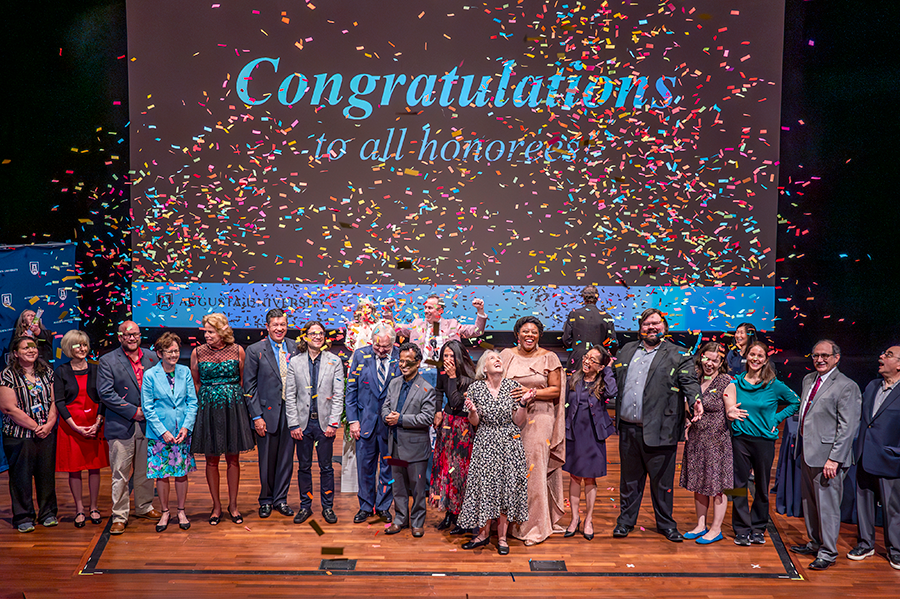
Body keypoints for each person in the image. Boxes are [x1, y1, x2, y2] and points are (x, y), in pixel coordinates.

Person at [612, 308, 702, 542]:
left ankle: (666, 524)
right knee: (629, 480)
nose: (651, 328)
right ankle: (625, 521)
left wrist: (695, 401)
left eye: (656, 324)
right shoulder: (627, 350)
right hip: (628, 429)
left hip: (661, 429)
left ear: (665, 327)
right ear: (640, 328)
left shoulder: (679, 354)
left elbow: (689, 382)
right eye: (646, 324)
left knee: (662, 483)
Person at [788, 340, 861, 569]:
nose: (819, 359)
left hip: (828, 459)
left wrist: (835, 459)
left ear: (836, 358)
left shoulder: (847, 386)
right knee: (809, 503)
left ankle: (828, 552)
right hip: (808, 453)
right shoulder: (808, 379)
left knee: (828, 507)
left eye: (825, 356)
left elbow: (848, 427)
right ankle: (815, 542)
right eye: (816, 355)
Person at [500, 315, 565, 546]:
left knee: (533, 471)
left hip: (539, 418)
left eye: (534, 332)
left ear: (539, 335)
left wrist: (532, 393)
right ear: (517, 334)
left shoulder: (549, 357)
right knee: (511, 472)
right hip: (509, 420)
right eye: (525, 331)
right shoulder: (506, 355)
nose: (530, 335)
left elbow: (556, 390)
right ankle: (509, 525)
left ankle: (535, 527)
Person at [457, 350, 529, 555]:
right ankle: (482, 534)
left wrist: (523, 402)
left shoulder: (512, 386)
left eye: (499, 358)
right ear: (484, 368)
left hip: (509, 443)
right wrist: (472, 411)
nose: (497, 360)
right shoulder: (476, 388)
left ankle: (503, 538)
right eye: (492, 358)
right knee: (485, 488)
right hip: (486, 442)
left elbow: (518, 421)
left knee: (506, 489)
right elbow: (475, 423)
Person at [730, 340, 800, 546]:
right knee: (736, 487)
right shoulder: (736, 382)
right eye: (752, 354)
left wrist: (776, 419)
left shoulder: (773, 384)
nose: (755, 359)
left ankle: (758, 527)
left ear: (766, 359)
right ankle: (741, 529)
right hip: (739, 439)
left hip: (764, 441)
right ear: (747, 357)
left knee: (761, 486)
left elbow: (795, 402)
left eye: (760, 356)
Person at [97, 321, 161, 535]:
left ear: (140, 335)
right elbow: (105, 393)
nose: (131, 338)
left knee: (144, 471)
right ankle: (119, 515)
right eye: (127, 335)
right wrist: (134, 411)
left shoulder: (151, 357)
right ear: (120, 337)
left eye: (135, 334)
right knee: (120, 474)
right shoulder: (107, 360)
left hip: (148, 425)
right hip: (121, 424)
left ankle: (144, 507)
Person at [190, 313, 254, 525]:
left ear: (222, 331)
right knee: (211, 459)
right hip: (208, 407)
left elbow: (243, 381)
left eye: (210, 331)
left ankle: (233, 505)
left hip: (233, 408)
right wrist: (208, 401)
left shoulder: (238, 351)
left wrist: (233, 401)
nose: (206, 335)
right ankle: (216, 506)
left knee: (233, 458)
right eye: (205, 331)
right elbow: (196, 383)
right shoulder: (197, 352)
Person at [285, 321, 344, 525]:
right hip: (303, 425)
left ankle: (327, 507)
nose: (317, 336)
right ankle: (305, 506)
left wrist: (333, 423)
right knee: (304, 467)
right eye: (313, 333)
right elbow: (290, 395)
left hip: (325, 424)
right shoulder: (295, 362)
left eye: (320, 333)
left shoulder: (334, 361)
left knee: (326, 468)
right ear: (305, 336)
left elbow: (338, 395)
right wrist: (293, 424)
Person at [848, 345, 900, 570]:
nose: (881, 357)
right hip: (864, 455)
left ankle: (896, 550)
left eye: (888, 355)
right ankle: (865, 543)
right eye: (883, 353)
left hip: (890, 458)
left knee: (892, 508)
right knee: (864, 503)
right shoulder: (871, 386)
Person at [680, 342, 737, 545]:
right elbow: (687, 407)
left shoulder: (725, 381)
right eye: (707, 358)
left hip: (716, 442)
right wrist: (687, 420)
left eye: (715, 360)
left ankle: (716, 529)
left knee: (717, 487)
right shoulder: (694, 379)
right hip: (696, 440)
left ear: (721, 361)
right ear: (701, 357)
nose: (710, 363)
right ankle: (700, 524)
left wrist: (732, 413)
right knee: (698, 484)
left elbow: (730, 406)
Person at [0, 337, 58, 532]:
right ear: (15, 353)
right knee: (21, 477)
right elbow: (8, 408)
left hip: (46, 433)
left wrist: (49, 424)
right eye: (26, 348)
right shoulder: (7, 375)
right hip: (19, 435)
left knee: (46, 475)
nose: (31, 350)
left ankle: (48, 513)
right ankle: (23, 516)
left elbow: (54, 401)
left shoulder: (47, 372)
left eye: (33, 347)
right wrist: (35, 427)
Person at [142, 332, 198, 532]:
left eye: (176, 351)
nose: (174, 355)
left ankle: (181, 511)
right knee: (162, 475)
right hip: (160, 434)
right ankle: (165, 511)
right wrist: (163, 432)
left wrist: (186, 427)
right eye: (169, 351)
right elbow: (147, 407)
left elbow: (192, 402)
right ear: (159, 353)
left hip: (182, 432)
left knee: (181, 474)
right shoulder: (150, 375)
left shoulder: (184, 372)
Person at [244, 308, 297, 519]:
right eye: (275, 325)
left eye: (282, 324)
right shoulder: (255, 350)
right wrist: (256, 416)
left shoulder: (295, 347)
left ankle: (281, 499)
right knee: (266, 459)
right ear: (267, 327)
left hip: (291, 412)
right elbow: (249, 387)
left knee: (286, 458)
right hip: (266, 414)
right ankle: (265, 500)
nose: (279, 328)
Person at [345, 324, 400, 523]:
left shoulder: (400, 357)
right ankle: (366, 506)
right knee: (365, 467)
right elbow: (351, 390)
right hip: (365, 424)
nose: (381, 350)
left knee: (388, 467)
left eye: (385, 347)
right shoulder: (360, 355)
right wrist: (353, 420)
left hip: (390, 425)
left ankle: (384, 506)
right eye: (377, 346)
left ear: (393, 343)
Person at [54, 330, 108, 528]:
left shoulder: (97, 368)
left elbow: (103, 397)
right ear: (69, 348)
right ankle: (79, 509)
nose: (83, 349)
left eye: (85, 345)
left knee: (94, 468)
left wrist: (98, 423)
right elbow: (59, 402)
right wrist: (75, 427)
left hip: (95, 425)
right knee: (74, 470)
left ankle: (94, 507)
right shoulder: (61, 371)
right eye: (78, 345)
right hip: (71, 427)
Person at [382, 342, 436, 538]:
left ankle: (417, 522)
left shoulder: (426, 388)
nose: (403, 365)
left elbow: (427, 418)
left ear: (418, 363)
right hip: (395, 445)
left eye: (408, 362)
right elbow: (386, 406)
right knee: (399, 487)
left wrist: (400, 419)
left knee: (418, 489)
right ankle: (400, 519)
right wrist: (386, 416)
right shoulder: (394, 383)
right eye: (400, 361)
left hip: (416, 449)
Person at [563, 346, 617, 541]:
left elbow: (613, 392)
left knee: (590, 479)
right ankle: (574, 517)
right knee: (575, 476)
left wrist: (608, 369)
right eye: (586, 357)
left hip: (593, 435)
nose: (587, 361)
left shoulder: (603, 383)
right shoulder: (573, 379)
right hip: (575, 433)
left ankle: (589, 520)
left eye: (593, 360)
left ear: (601, 366)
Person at [431, 339, 477, 535]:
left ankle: (461, 516)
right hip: (447, 426)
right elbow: (439, 391)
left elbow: (457, 402)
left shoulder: (470, 377)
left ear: (460, 356)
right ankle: (449, 512)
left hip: (463, 428)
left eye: (451, 356)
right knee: (445, 469)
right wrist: (438, 411)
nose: (448, 359)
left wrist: (451, 377)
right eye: (445, 356)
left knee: (458, 471)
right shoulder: (443, 371)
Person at [384, 295, 486, 363]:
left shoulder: (452, 325)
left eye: (430, 308)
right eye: (425, 308)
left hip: (446, 372)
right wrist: (388, 309)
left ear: (440, 310)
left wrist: (480, 311)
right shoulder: (416, 324)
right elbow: (394, 328)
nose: (426, 311)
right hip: (421, 371)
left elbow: (477, 331)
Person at [561, 285, 618, 372]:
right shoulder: (606, 317)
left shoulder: (574, 314)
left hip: (577, 360)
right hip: (597, 361)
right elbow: (612, 342)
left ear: (583, 297)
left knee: (575, 385)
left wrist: (578, 349)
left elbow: (566, 339)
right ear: (597, 297)